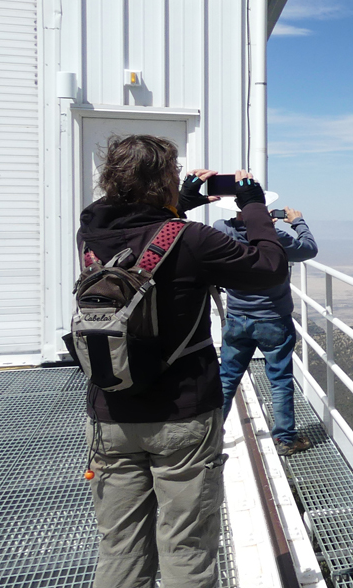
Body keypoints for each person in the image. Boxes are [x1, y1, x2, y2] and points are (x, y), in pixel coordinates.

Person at [78, 135, 287, 588]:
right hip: (182, 414)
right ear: (163, 182)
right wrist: (253, 206)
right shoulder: (192, 239)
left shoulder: (90, 235)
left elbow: (140, 234)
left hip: (110, 411)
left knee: (118, 548)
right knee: (185, 546)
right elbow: (269, 266)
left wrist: (183, 201)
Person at [213, 202, 318, 456]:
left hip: (238, 317)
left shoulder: (221, 231)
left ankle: (212, 437)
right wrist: (297, 222)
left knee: (227, 378)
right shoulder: (275, 237)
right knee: (280, 379)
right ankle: (284, 438)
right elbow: (309, 249)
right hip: (273, 319)